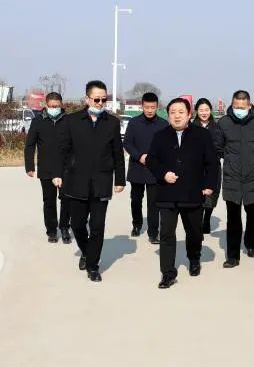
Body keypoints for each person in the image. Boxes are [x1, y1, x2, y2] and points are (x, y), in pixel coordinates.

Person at [53, 80, 125, 282]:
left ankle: (93, 266)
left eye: (104, 99)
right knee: (77, 224)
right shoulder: (72, 121)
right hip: (76, 181)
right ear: (87, 99)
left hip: (102, 182)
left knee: (97, 226)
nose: (100, 103)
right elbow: (62, 151)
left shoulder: (112, 123)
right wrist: (58, 174)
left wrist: (120, 179)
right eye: (96, 99)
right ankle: (86, 251)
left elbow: (118, 154)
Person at [148, 98, 219, 289]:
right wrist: (163, 173)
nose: (177, 116)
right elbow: (152, 160)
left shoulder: (202, 135)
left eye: (181, 112)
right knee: (166, 234)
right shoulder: (160, 136)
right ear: (168, 115)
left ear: (189, 114)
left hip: (192, 191)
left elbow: (212, 163)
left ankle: (194, 258)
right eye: (172, 112)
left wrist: (209, 185)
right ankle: (167, 273)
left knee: (194, 231)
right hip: (167, 193)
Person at [214, 90, 254, 268]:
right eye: (236, 106)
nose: (239, 110)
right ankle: (232, 256)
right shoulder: (224, 122)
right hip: (232, 176)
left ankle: (250, 244)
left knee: (253, 215)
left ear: (249, 105)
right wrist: (230, 159)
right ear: (232, 105)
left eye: (242, 107)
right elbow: (217, 146)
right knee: (233, 217)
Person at [24, 92, 72, 243]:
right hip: (46, 168)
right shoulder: (38, 121)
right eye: (52, 106)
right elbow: (30, 145)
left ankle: (64, 227)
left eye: (57, 106)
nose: (54, 109)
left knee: (67, 199)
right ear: (46, 105)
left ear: (61, 105)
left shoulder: (69, 121)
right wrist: (29, 166)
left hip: (66, 168)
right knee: (49, 201)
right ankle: (52, 230)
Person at [123, 92, 168, 243]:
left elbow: (166, 146)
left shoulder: (163, 124)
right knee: (136, 200)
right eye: (147, 107)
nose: (149, 110)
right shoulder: (134, 122)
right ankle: (136, 224)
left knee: (154, 203)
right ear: (142, 106)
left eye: (152, 107)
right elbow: (127, 143)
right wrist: (139, 156)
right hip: (137, 167)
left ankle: (153, 232)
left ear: (157, 107)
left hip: (155, 169)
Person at [192, 98, 222, 235]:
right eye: (201, 110)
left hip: (213, 165)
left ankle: (207, 219)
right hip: (196, 166)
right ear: (196, 111)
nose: (204, 113)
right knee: (196, 194)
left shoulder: (217, 127)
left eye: (206, 110)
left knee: (212, 195)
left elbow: (221, 145)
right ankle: (198, 220)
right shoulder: (191, 126)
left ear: (211, 111)